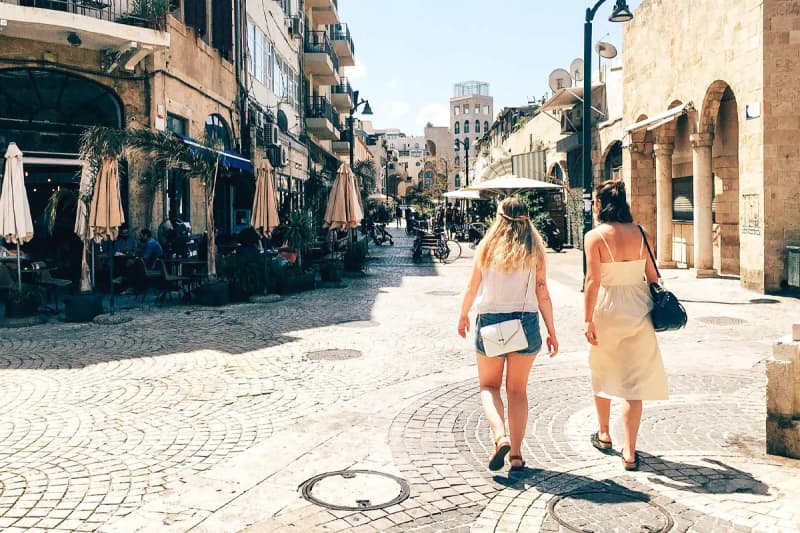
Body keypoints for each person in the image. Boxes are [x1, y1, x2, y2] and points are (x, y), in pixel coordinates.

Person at [457, 197, 558, 471]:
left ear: (499, 218)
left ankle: (499, 436)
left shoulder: (486, 248)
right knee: (517, 391)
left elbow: (472, 287)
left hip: (490, 320)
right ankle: (515, 455)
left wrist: (463, 314)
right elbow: (543, 292)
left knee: (489, 387)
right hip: (526, 323)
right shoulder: (535, 250)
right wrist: (551, 330)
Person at [583, 180, 668, 471]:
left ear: (600, 204)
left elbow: (592, 282)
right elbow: (653, 277)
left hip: (607, 310)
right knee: (634, 383)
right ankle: (629, 452)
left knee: (602, 371)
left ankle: (605, 434)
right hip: (638, 309)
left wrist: (587, 319)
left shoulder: (594, 237)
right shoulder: (642, 234)